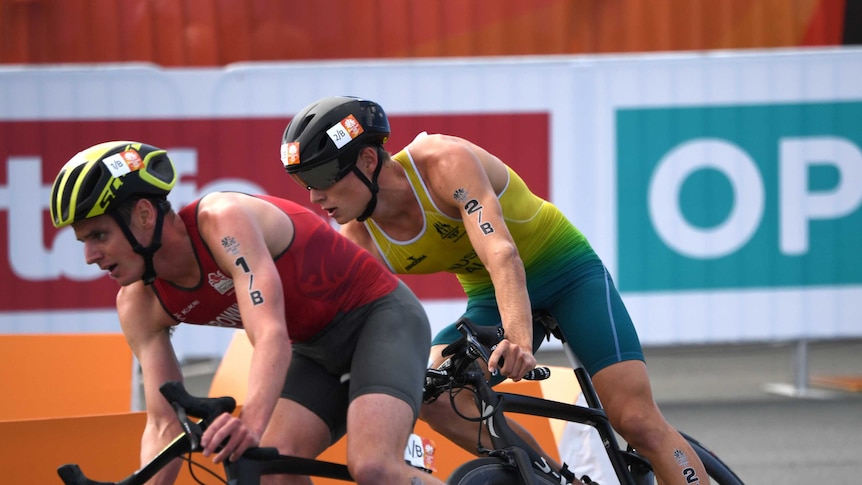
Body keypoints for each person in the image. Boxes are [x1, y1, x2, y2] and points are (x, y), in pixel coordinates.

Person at [279, 96, 712, 485]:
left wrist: (519, 340)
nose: (315, 196)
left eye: (321, 177)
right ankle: (554, 481)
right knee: (430, 393)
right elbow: (368, 325)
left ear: (369, 160)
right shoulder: (360, 236)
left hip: (567, 275)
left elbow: (502, 252)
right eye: (304, 182)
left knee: (635, 420)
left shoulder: (442, 162)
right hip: (490, 298)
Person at [49, 141, 446, 485]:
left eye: (99, 236)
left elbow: (269, 333)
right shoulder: (138, 303)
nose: (89, 257)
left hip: (379, 317)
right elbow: (163, 422)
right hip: (313, 347)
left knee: (373, 468)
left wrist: (250, 425)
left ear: (143, 215)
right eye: (85, 241)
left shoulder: (221, 221)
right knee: (269, 467)